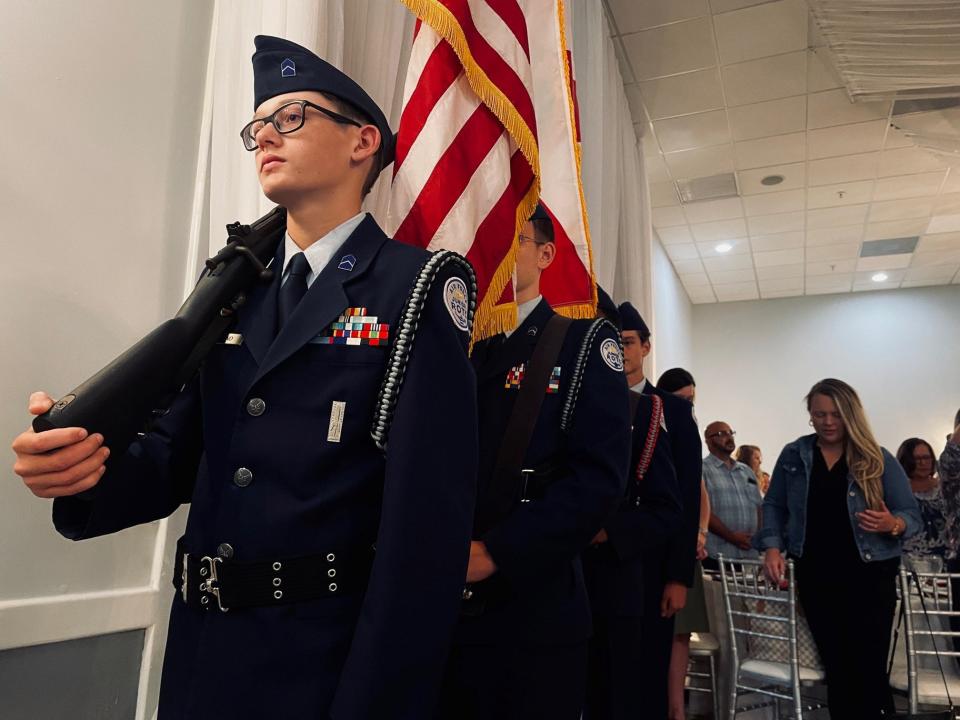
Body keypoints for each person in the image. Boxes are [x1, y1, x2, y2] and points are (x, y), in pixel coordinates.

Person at [11, 36, 479, 719]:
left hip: (320, 661)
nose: (266, 135)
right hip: (204, 649)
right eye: (257, 125)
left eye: (291, 116)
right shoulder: (234, 290)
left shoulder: (414, 288)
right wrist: (84, 466)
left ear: (362, 142)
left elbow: (424, 534)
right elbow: (177, 453)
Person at [436, 206, 631, 720]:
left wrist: (498, 550)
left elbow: (596, 481)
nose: (497, 249)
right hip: (438, 601)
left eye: (513, 238)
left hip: (530, 608)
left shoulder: (583, 342)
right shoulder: (457, 344)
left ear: (546, 254)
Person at [758, 379, 921, 720]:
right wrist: (772, 547)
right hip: (815, 575)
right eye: (819, 414)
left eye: (835, 414)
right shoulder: (795, 455)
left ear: (851, 415)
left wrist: (893, 524)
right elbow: (773, 505)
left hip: (870, 575)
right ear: (810, 415)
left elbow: (911, 515)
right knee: (838, 666)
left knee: (869, 668)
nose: (828, 422)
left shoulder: (877, 458)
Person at [583, 288, 683, 720]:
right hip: (560, 576)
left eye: (622, 340)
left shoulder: (655, 410)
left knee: (623, 685)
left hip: (624, 567)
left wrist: (677, 575)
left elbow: (674, 501)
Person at [618, 304, 703, 719]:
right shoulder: (596, 400)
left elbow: (686, 496)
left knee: (650, 664)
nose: (622, 350)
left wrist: (678, 575)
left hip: (656, 560)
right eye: (615, 342)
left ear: (647, 347)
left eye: (629, 342)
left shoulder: (674, 410)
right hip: (608, 557)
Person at [657, 369, 712, 720]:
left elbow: (698, 493)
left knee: (679, 638)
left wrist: (700, 532)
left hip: (682, 549)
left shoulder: (686, 431)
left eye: (691, 400)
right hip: (659, 542)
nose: (687, 406)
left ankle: (677, 711)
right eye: (681, 400)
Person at [702, 422, 762, 567]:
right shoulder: (702, 469)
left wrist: (758, 537)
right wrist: (732, 537)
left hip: (750, 556)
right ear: (709, 441)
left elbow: (759, 507)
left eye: (730, 433)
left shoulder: (746, 471)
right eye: (722, 434)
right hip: (719, 556)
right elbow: (702, 509)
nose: (729, 437)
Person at [898, 437, 951, 565]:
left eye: (927, 458)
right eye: (917, 459)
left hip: (948, 561)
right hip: (911, 564)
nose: (923, 463)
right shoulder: (897, 493)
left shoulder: (947, 489)